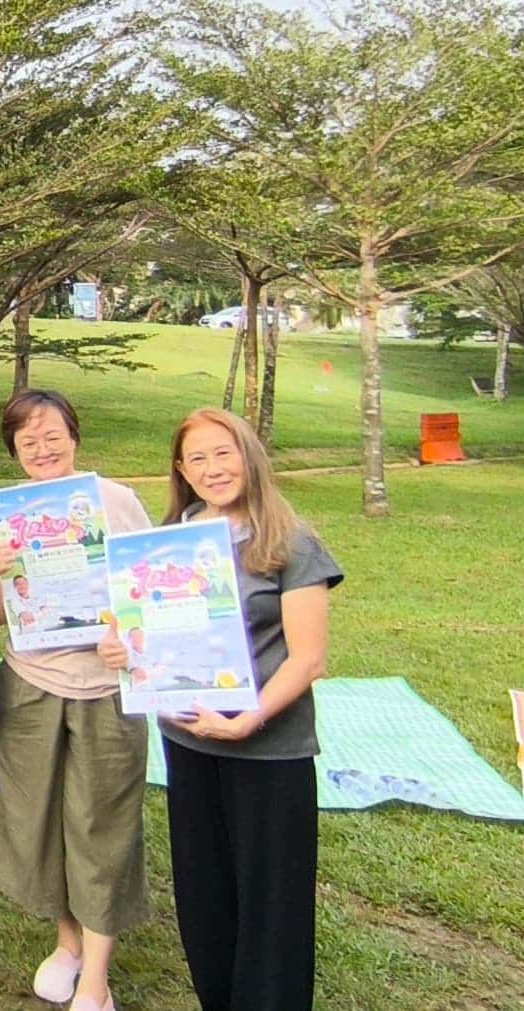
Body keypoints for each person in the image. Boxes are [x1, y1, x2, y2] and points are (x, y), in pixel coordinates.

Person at [100, 408, 341, 1011]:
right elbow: (142, 633)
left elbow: (308, 659)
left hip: (269, 751)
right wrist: (121, 650)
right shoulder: (170, 541)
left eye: (223, 453)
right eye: (198, 459)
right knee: (204, 894)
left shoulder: (290, 542)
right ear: (182, 471)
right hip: (189, 742)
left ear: (249, 456)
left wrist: (247, 721)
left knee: (272, 902)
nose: (213, 469)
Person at [0, 388, 153, 1011]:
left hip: (106, 690)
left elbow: (149, 588)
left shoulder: (116, 501)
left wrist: (127, 638)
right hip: (30, 685)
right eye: (27, 442)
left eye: (52, 436)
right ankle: (68, 943)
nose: (42, 449)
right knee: (43, 818)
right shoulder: (9, 514)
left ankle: (97, 979)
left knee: (101, 825)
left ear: (74, 437)